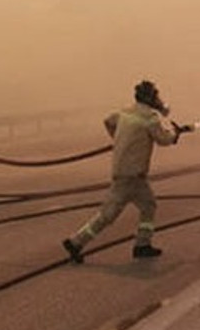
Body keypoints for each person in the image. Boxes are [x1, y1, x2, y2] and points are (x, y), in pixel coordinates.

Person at [62, 80, 192, 264]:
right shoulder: (150, 118)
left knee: (128, 210)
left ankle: (80, 242)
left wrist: (119, 139)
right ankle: (81, 242)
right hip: (133, 176)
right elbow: (164, 139)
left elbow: (107, 121)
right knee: (130, 210)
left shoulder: (125, 112)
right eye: (155, 95)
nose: (158, 99)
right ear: (149, 98)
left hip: (123, 172)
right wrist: (177, 133)